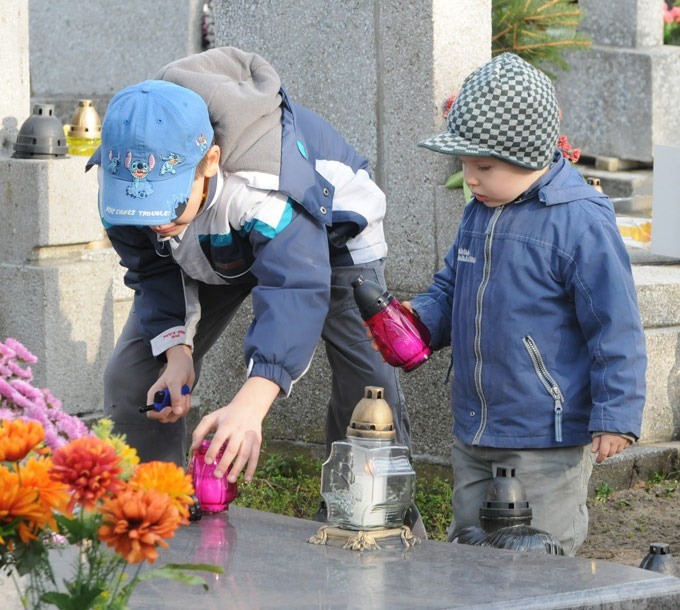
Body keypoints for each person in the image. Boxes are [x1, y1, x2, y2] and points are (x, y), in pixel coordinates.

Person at [88, 46, 421, 529]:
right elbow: (151, 266)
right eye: (144, 211)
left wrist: (252, 402)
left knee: (367, 385)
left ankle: (377, 520)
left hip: (327, 233)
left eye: (167, 206)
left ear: (209, 162)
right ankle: (150, 515)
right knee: (135, 374)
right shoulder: (127, 180)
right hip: (215, 247)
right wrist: (175, 348)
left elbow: (296, 287)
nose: (155, 222)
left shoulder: (259, 184)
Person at [408, 53, 647, 555]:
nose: (469, 178)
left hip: (546, 438)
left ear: (528, 154)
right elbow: (451, 288)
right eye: (465, 165)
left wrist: (616, 412)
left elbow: (615, 325)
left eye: (483, 166)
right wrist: (419, 323)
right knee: (470, 547)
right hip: (475, 429)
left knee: (541, 554)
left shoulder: (578, 222)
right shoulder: (479, 213)